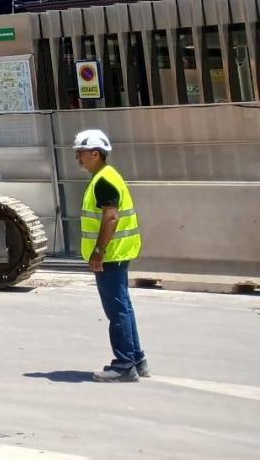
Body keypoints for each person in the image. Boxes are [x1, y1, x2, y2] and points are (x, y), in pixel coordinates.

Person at [72, 128, 147, 382]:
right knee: (123, 307)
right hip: (118, 253)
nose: (78, 159)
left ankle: (124, 365)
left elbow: (111, 217)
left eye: (80, 153)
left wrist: (98, 252)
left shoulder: (103, 180)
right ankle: (136, 359)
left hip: (111, 255)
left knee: (117, 310)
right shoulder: (108, 176)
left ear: (95, 154)